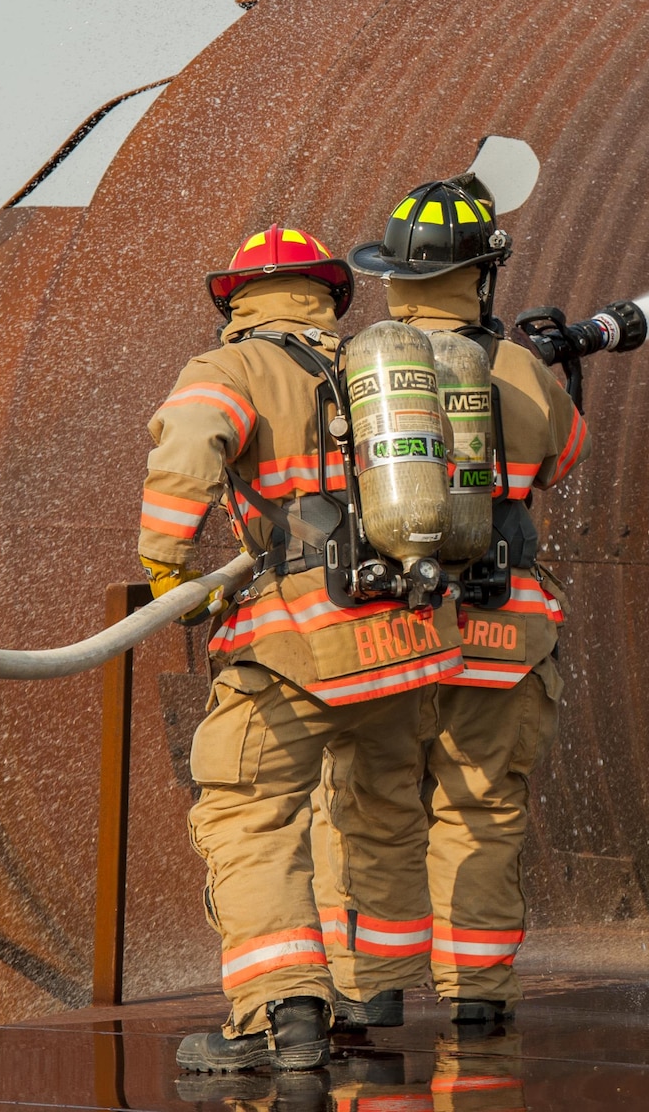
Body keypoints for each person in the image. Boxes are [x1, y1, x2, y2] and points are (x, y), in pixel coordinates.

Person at [141, 225, 464, 1072]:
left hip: (294, 642)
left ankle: (280, 1013)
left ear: (235, 300)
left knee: (248, 815)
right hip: (400, 637)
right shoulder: (374, 369)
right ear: (330, 295)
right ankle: (374, 991)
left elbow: (190, 442)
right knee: (383, 805)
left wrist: (166, 560)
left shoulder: (231, 368)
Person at [314, 178, 586, 1029]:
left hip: (389, 632)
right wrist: (552, 368)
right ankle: (478, 998)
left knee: (373, 800)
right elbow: (560, 461)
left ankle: (374, 990)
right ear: (482, 276)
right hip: (503, 629)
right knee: (483, 808)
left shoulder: (360, 365)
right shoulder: (512, 367)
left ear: (394, 277)